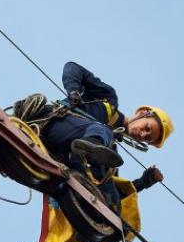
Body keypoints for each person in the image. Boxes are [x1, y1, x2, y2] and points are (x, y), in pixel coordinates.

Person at [41, 61, 174, 205]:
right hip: (54, 124)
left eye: (147, 138)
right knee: (104, 132)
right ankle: (86, 147)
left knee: (110, 197)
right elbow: (72, 67)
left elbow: (110, 193)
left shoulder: (107, 153)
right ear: (143, 113)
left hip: (56, 153)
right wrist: (74, 91)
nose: (142, 135)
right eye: (147, 128)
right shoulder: (108, 100)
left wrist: (145, 182)